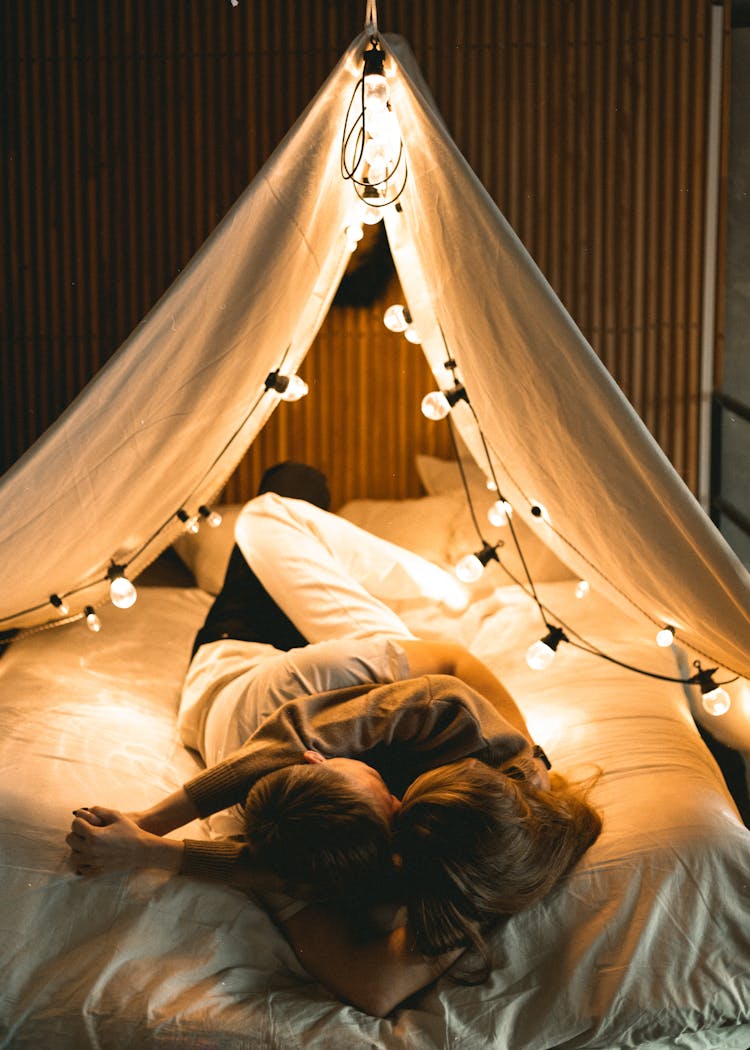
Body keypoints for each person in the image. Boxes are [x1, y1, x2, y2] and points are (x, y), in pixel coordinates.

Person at [67, 463, 600, 1015]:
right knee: (294, 501)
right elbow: (371, 985)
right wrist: (487, 881)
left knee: (272, 505)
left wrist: (152, 840)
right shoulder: (303, 820)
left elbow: (449, 660)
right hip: (288, 671)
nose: (320, 753)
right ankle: (390, 553)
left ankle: (397, 555)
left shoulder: (311, 737)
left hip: (239, 656)